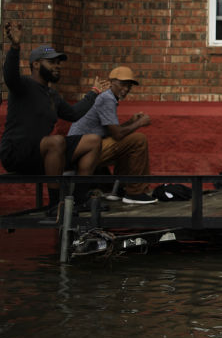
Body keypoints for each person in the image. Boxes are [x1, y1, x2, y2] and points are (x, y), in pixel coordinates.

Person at [1, 21, 107, 212]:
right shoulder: (22, 86)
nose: (57, 66)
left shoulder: (52, 95)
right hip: (17, 153)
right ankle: (55, 204)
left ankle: (80, 198)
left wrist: (93, 92)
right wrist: (15, 46)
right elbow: (9, 76)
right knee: (56, 141)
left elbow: (73, 115)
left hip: (44, 154)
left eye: (58, 62)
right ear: (35, 64)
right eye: (52, 62)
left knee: (93, 141)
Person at [68, 65, 157, 204]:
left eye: (129, 86)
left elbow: (113, 132)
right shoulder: (107, 98)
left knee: (127, 142)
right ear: (111, 83)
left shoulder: (108, 97)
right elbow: (117, 135)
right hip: (82, 153)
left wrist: (130, 122)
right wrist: (139, 123)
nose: (126, 89)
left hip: (85, 149)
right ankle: (135, 192)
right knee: (138, 139)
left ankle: (118, 190)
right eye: (123, 84)